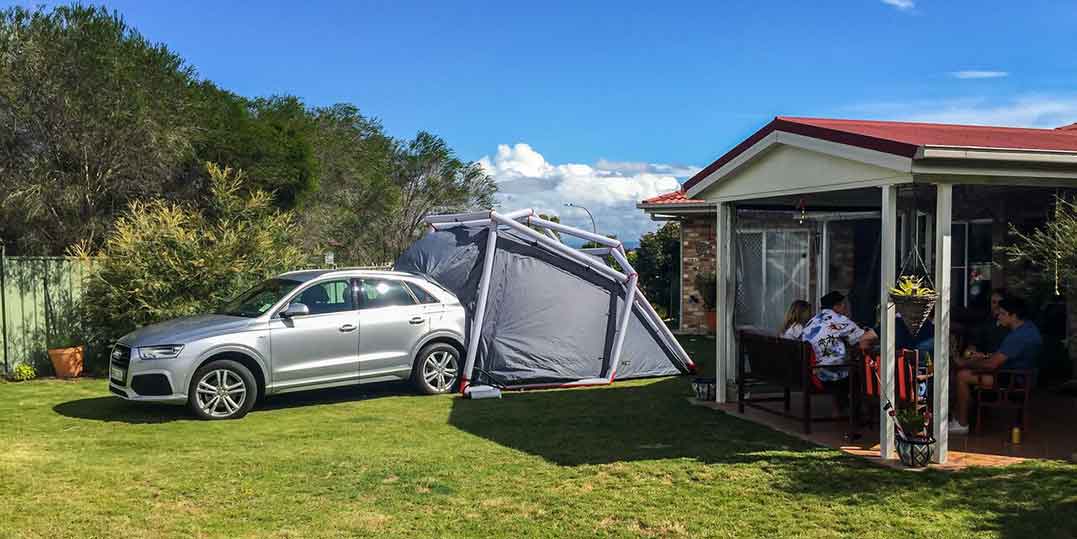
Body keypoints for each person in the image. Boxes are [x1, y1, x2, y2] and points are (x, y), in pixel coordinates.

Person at [949, 296, 1042, 434]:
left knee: (962, 375)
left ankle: (962, 423)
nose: (998, 317)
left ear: (1013, 316)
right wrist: (984, 356)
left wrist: (965, 362)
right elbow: (1003, 356)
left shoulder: (1018, 336)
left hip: (1012, 379)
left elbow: (992, 365)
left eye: (1002, 313)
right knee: (967, 369)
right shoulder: (1028, 328)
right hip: (1018, 375)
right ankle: (957, 416)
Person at [801, 291, 879, 412]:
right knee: (860, 373)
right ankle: (857, 416)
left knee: (843, 363)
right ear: (836, 306)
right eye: (844, 305)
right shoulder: (838, 319)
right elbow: (864, 337)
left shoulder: (814, 320)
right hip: (824, 375)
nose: (846, 308)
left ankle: (841, 407)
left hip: (809, 372)